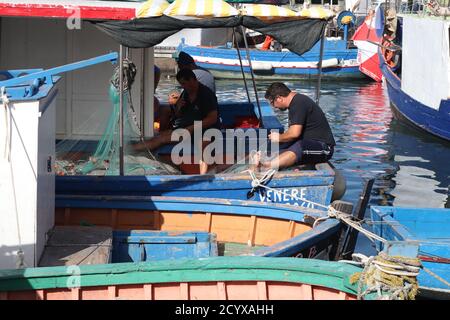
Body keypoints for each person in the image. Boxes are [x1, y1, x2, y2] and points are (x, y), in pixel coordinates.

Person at [134, 68, 219, 174]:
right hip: (184, 130)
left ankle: (203, 176)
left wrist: (191, 128)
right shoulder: (186, 93)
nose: (183, 86)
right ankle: (130, 151)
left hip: (204, 131)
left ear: (193, 80)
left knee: (203, 146)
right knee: (159, 137)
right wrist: (178, 107)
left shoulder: (206, 94)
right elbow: (178, 115)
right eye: (181, 84)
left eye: (184, 83)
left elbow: (212, 118)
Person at [251, 82, 335, 170]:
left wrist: (279, 137)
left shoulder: (299, 102)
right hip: (309, 144)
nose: (274, 107)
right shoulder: (294, 104)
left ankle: (269, 166)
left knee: (299, 146)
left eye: (272, 103)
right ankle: (260, 161)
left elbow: (294, 133)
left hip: (324, 148)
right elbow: (292, 135)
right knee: (274, 147)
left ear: (279, 98)